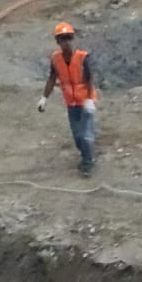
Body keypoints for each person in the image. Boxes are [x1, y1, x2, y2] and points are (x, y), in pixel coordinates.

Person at [38, 22, 97, 176]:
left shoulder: (82, 57)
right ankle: (86, 153)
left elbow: (89, 78)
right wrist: (44, 98)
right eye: (63, 39)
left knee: (86, 134)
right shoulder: (56, 59)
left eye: (69, 38)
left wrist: (90, 99)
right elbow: (52, 78)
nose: (67, 42)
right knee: (77, 135)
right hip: (71, 102)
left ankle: (87, 162)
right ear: (58, 41)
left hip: (85, 101)